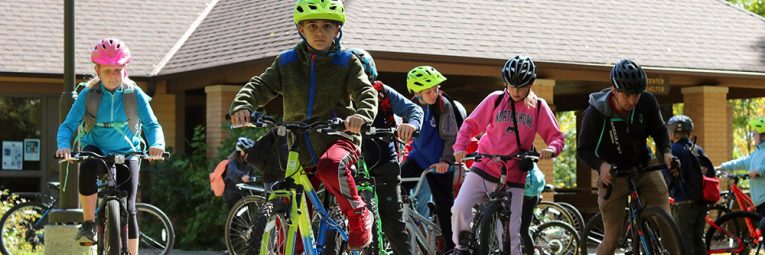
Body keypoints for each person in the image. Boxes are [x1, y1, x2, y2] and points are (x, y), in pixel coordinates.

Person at [228, 0, 378, 249]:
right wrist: (243, 105)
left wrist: (361, 116)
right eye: (312, 26)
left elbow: (366, 93)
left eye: (327, 26)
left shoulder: (347, 62)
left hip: (339, 138)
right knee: (293, 207)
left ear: (337, 30)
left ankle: (358, 215)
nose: (320, 32)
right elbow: (261, 86)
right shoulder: (287, 62)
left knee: (331, 167)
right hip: (299, 145)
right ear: (301, 29)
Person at [56, 38, 166, 255]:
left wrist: (157, 145)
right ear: (97, 70)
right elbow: (68, 126)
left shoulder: (134, 95)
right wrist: (64, 146)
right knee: (87, 165)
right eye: (108, 71)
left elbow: (153, 125)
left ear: (125, 68)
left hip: (127, 152)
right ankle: (88, 223)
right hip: (95, 148)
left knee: (130, 208)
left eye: (118, 69)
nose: (114, 75)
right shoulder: (88, 95)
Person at [451, 55, 565, 255]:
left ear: (530, 84)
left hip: (514, 177)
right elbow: (469, 125)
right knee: (459, 208)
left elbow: (556, 136)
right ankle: (461, 248)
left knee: (512, 234)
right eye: (511, 86)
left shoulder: (538, 107)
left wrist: (551, 149)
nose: (515, 91)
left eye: (520, 87)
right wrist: (460, 146)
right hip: (484, 166)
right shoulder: (495, 99)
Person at [577, 59, 681, 255]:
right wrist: (601, 166)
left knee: (667, 222)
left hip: (643, 165)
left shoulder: (647, 102)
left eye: (637, 94)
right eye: (627, 95)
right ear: (614, 90)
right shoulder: (595, 114)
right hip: (614, 174)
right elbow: (584, 150)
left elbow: (659, 130)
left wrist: (667, 152)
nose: (633, 100)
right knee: (612, 239)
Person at [349, 48, 421, 255]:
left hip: (384, 163)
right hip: (351, 164)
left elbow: (413, 110)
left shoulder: (382, 92)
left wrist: (411, 125)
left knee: (393, 225)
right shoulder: (337, 95)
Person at [399, 65, 460, 253]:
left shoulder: (443, 105)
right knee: (395, 184)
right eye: (429, 91)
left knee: (445, 207)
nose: (434, 94)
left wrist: (445, 161)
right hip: (419, 157)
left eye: (435, 89)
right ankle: (405, 222)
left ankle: (452, 248)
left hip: (440, 161)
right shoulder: (411, 107)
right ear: (417, 93)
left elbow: (452, 137)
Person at [666, 115, 714, 255]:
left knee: (683, 242)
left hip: (683, 203)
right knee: (698, 240)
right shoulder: (697, 149)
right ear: (689, 133)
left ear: (672, 133)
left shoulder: (673, 150)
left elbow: (667, 177)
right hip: (701, 201)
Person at [717, 117, 765, 216]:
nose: (753, 136)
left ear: (763, 136)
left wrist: (758, 171)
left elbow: (762, 169)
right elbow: (742, 162)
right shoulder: (756, 153)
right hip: (759, 202)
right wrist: (722, 167)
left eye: (755, 134)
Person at [222, 137, 257, 209]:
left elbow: (252, 177)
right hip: (232, 193)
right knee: (237, 216)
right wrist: (242, 176)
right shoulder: (232, 161)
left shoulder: (247, 163)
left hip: (243, 192)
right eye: (249, 152)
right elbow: (232, 171)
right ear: (242, 152)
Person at [521, 164, 546, 254]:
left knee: (513, 229)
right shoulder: (529, 156)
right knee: (524, 231)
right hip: (534, 194)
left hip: (525, 193)